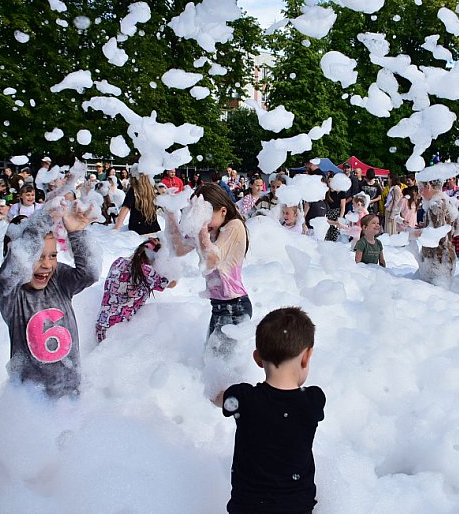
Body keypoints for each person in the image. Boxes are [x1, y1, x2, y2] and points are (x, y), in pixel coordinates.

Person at [219, 307, 325, 514]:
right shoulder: (313, 401)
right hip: (297, 507)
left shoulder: (244, 398)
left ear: (258, 358)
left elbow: (220, 398)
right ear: (306, 357)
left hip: (247, 507)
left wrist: (218, 392)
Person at [0, 204, 100, 398]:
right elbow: (9, 273)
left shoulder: (59, 280)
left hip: (71, 391)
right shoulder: (10, 295)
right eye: (37, 257)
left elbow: (89, 274)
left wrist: (77, 234)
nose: (47, 265)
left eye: (53, 255)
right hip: (31, 400)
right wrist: (42, 222)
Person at [167, 183, 250, 354]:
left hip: (235, 306)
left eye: (205, 216)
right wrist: (170, 214)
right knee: (211, 358)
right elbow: (178, 249)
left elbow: (212, 260)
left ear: (223, 211)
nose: (201, 221)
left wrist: (202, 227)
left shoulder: (234, 226)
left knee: (221, 361)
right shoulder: (210, 230)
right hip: (219, 305)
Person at [95, 237, 176, 342]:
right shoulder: (147, 272)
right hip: (120, 329)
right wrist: (171, 263)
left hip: (102, 325)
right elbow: (171, 283)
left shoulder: (119, 262)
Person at [411, 178, 457, 286]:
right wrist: (425, 226)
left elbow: (435, 236)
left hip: (437, 259)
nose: (420, 193)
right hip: (445, 257)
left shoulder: (436, 205)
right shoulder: (448, 201)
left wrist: (411, 234)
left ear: (428, 186)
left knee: (434, 293)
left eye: (420, 188)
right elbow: (452, 228)